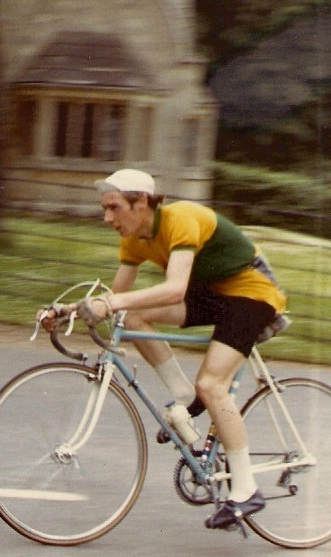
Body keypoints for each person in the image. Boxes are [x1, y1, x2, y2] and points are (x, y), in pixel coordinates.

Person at [41, 168, 288, 530]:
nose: (106, 217)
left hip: (252, 293)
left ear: (141, 202)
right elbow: (117, 301)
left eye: (113, 207)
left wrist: (110, 305)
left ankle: (247, 491)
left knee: (213, 385)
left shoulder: (181, 219)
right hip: (215, 295)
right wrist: (64, 311)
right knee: (135, 317)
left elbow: (174, 290)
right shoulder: (132, 240)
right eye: (104, 208)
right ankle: (185, 397)